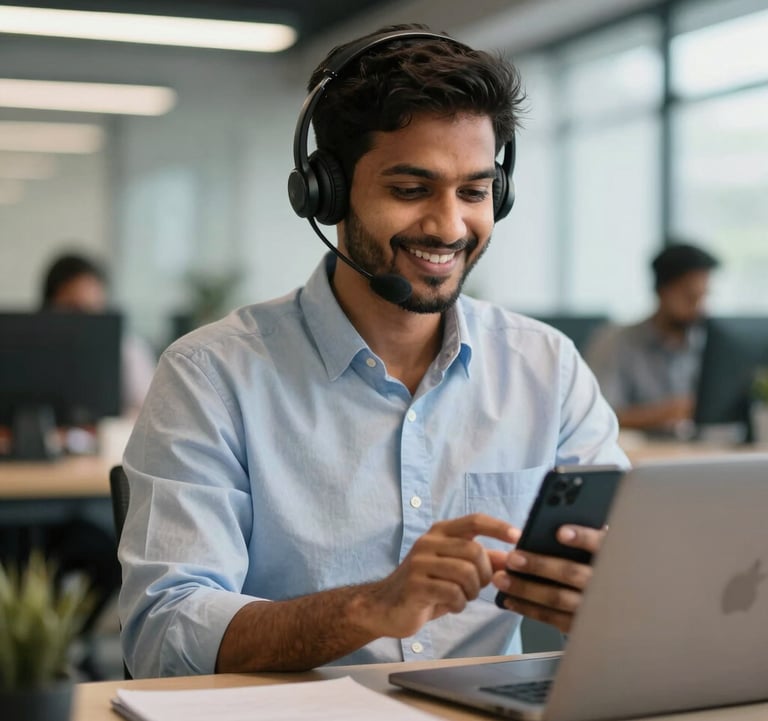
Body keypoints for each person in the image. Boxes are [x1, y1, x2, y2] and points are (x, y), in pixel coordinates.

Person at [118, 24, 629, 679]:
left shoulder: (547, 369)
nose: (448, 226)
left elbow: (628, 570)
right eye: (410, 190)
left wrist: (613, 594)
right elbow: (163, 634)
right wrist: (371, 606)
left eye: (474, 192)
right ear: (326, 192)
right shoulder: (210, 376)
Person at [585, 242, 720, 437]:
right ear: (662, 290)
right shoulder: (614, 342)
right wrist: (665, 412)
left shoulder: (710, 342)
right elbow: (597, 416)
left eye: (703, 296)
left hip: (700, 452)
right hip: (638, 456)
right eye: (690, 297)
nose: (700, 307)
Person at [41, 251, 156, 417]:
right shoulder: (26, 348)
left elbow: (148, 412)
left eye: (94, 309)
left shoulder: (129, 349)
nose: (85, 320)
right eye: (74, 309)